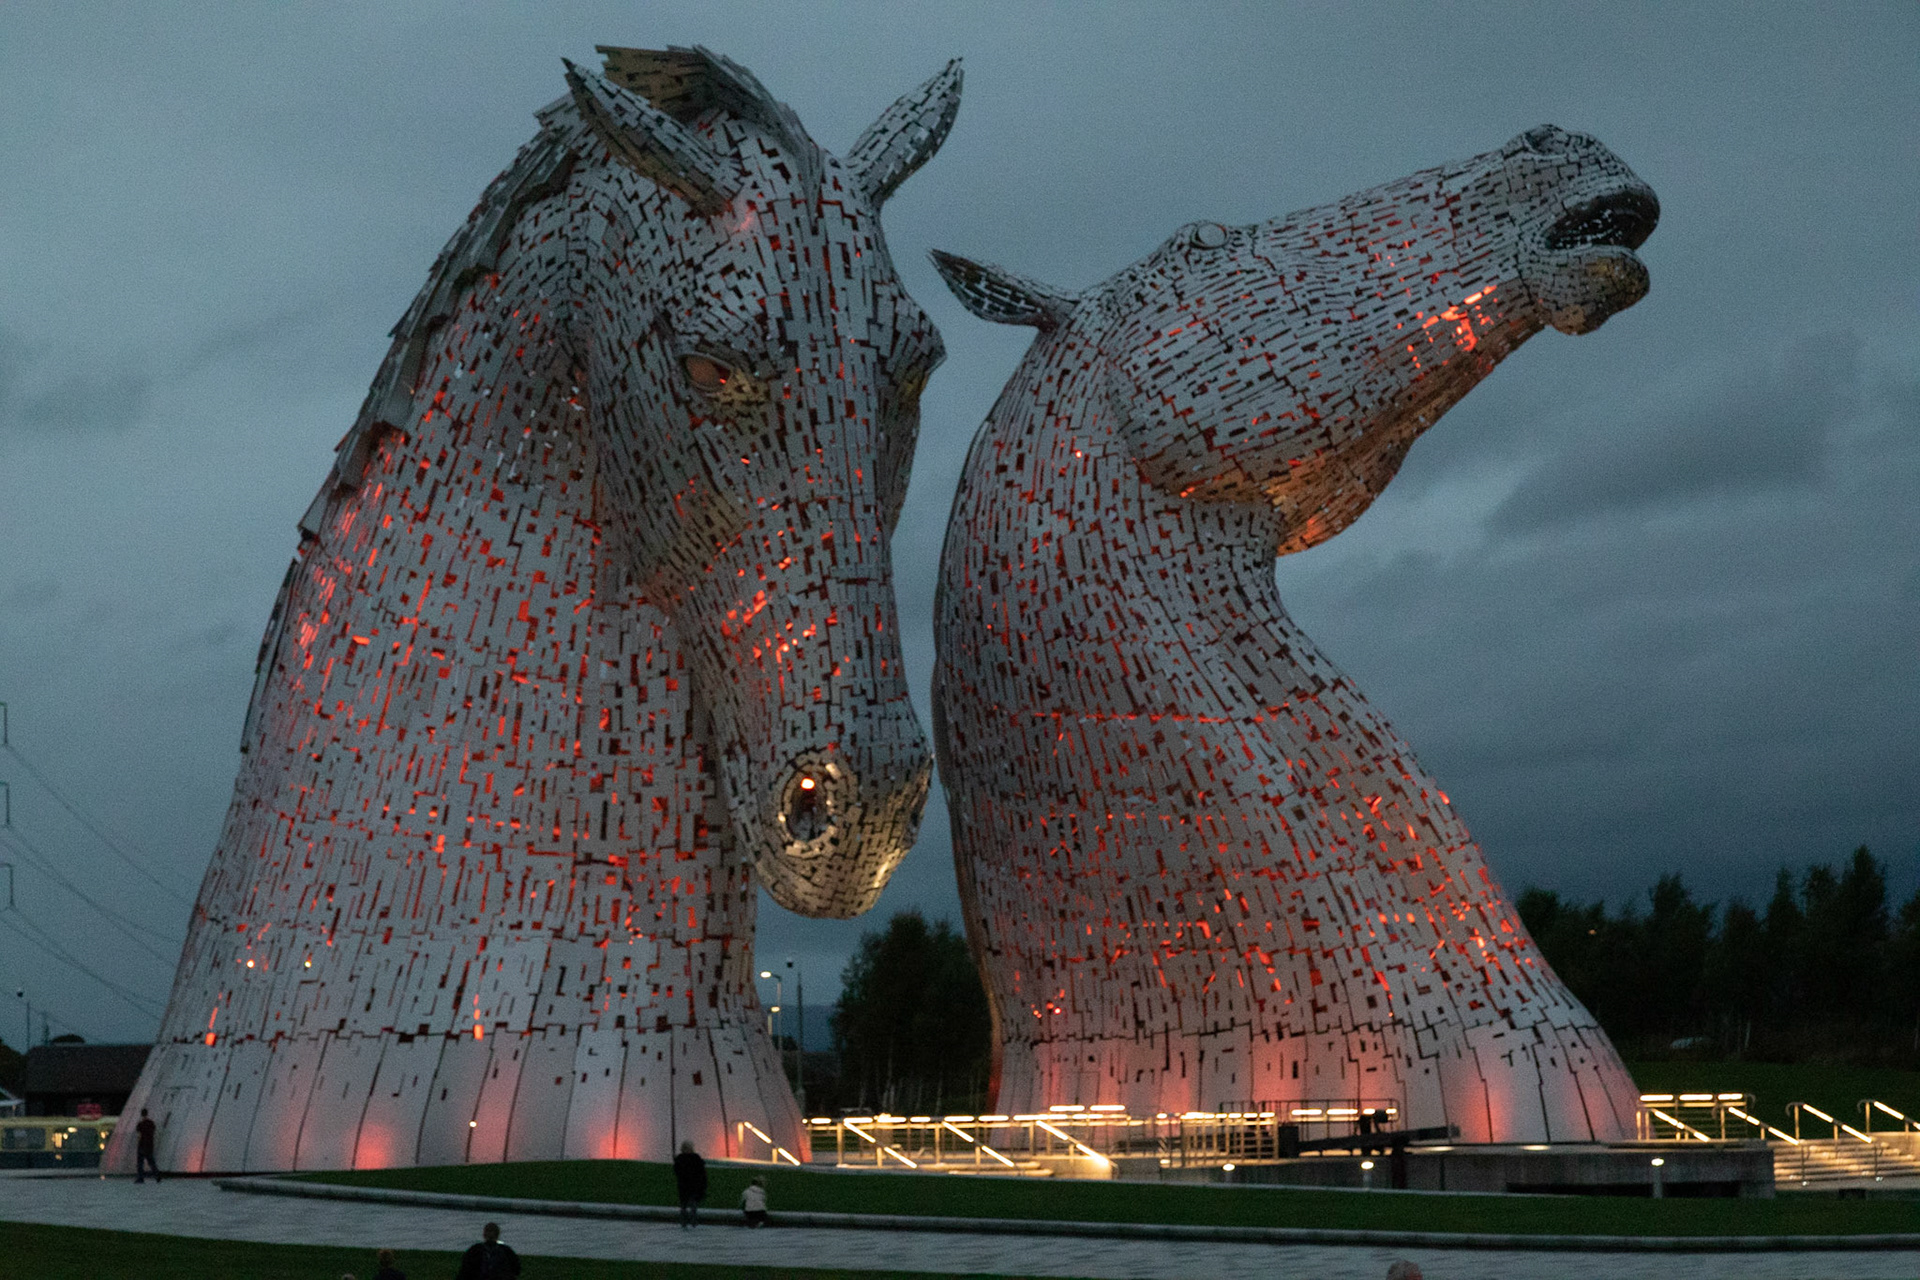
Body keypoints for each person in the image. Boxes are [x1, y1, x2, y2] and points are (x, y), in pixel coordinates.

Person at [455, 1222, 519, 1279]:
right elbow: (516, 1269)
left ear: (484, 1235)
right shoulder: (507, 1251)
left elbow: (465, 1270)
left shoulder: (474, 1250)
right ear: (498, 1235)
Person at [672, 1140, 708, 1229]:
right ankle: (689, 1223)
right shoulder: (695, 1158)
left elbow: (677, 1170)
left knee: (689, 1205)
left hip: (689, 1185)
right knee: (687, 1205)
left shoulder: (681, 1158)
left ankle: (689, 1222)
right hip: (688, 1185)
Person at [133, 1108, 161, 1183]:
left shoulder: (140, 1124)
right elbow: (153, 1133)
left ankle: (140, 1178)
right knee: (151, 1162)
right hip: (149, 1145)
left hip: (142, 1145)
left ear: (141, 1114)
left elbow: (139, 1135)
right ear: (147, 1114)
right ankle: (157, 1175)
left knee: (140, 1163)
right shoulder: (151, 1123)